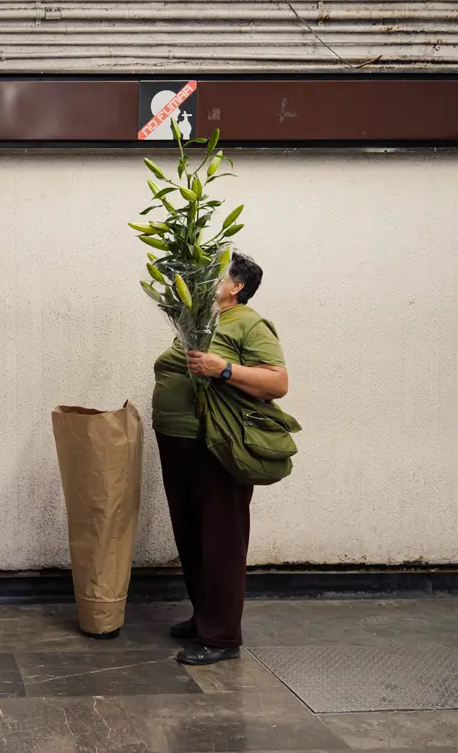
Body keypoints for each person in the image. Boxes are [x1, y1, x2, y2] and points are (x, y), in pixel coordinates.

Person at [151, 252, 289, 666]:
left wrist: (222, 368)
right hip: (179, 441)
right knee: (192, 534)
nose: (208, 279)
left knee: (221, 538)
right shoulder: (200, 322)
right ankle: (203, 617)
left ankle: (223, 635)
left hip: (215, 443)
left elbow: (277, 382)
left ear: (237, 287)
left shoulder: (248, 322)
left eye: (218, 274)